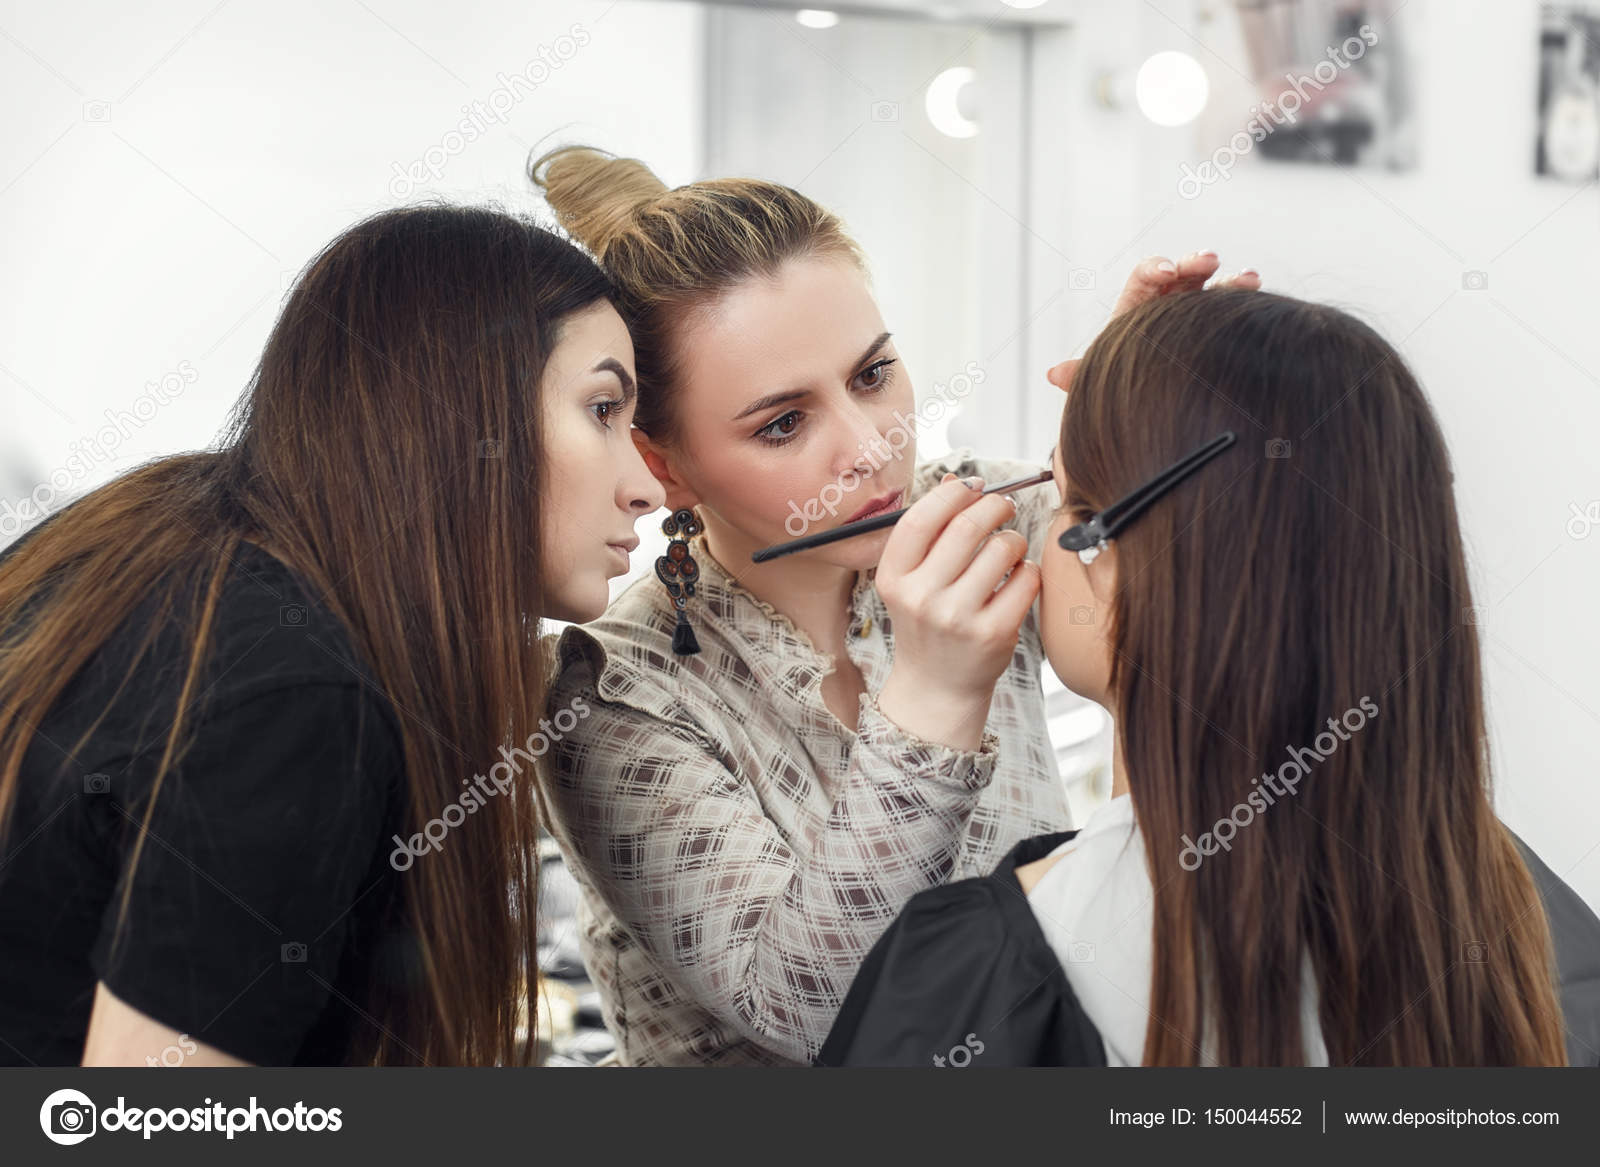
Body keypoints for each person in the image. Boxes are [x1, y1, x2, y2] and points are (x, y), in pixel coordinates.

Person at [528, 144, 1259, 1065]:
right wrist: (933, 698)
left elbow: (1183, 565)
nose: (873, 447)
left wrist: (1137, 418)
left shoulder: (976, 511)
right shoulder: (609, 697)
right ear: (663, 466)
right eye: (784, 423)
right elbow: (819, 1017)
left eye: (872, 376)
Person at [820, 288, 1600, 1067]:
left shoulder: (967, 979)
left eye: (1062, 498)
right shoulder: (1525, 926)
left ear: (1106, 560)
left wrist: (934, 694)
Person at [0, 205, 664, 1066]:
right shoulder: (296, 696)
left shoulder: (148, 537)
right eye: (603, 408)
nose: (646, 485)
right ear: (461, 410)